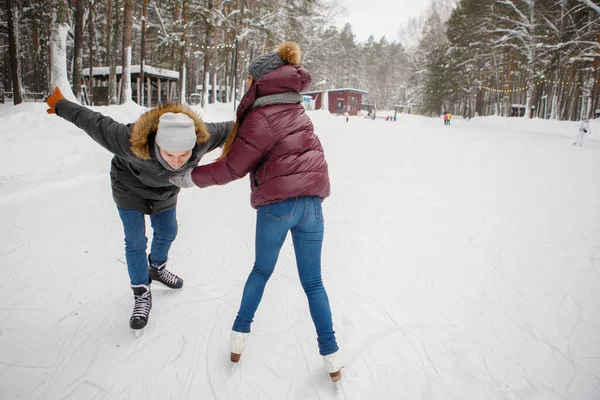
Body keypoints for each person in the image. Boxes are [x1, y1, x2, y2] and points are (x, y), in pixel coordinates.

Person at [170, 42, 342, 382]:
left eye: (248, 79)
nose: (246, 84)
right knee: (314, 282)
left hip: (278, 207)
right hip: (312, 207)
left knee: (261, 271)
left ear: (260, 80)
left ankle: (238, 337)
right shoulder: (296, 110)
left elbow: (232, 168)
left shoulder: (262, 116)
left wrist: (189, 178)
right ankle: (332, 357)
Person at [45, 87, 233, 331]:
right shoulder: (129, 140)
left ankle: (156, 268)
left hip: (165, 191)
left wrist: (272, 115)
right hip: (128, 187)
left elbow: (237, 127)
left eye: (184, 155)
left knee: (168, 232)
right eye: (169, 154)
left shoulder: (204, 139)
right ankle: (141, 292)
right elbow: (94, 122)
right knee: (135, 241)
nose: (176, 162)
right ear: (156, 144)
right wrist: (61, 104)